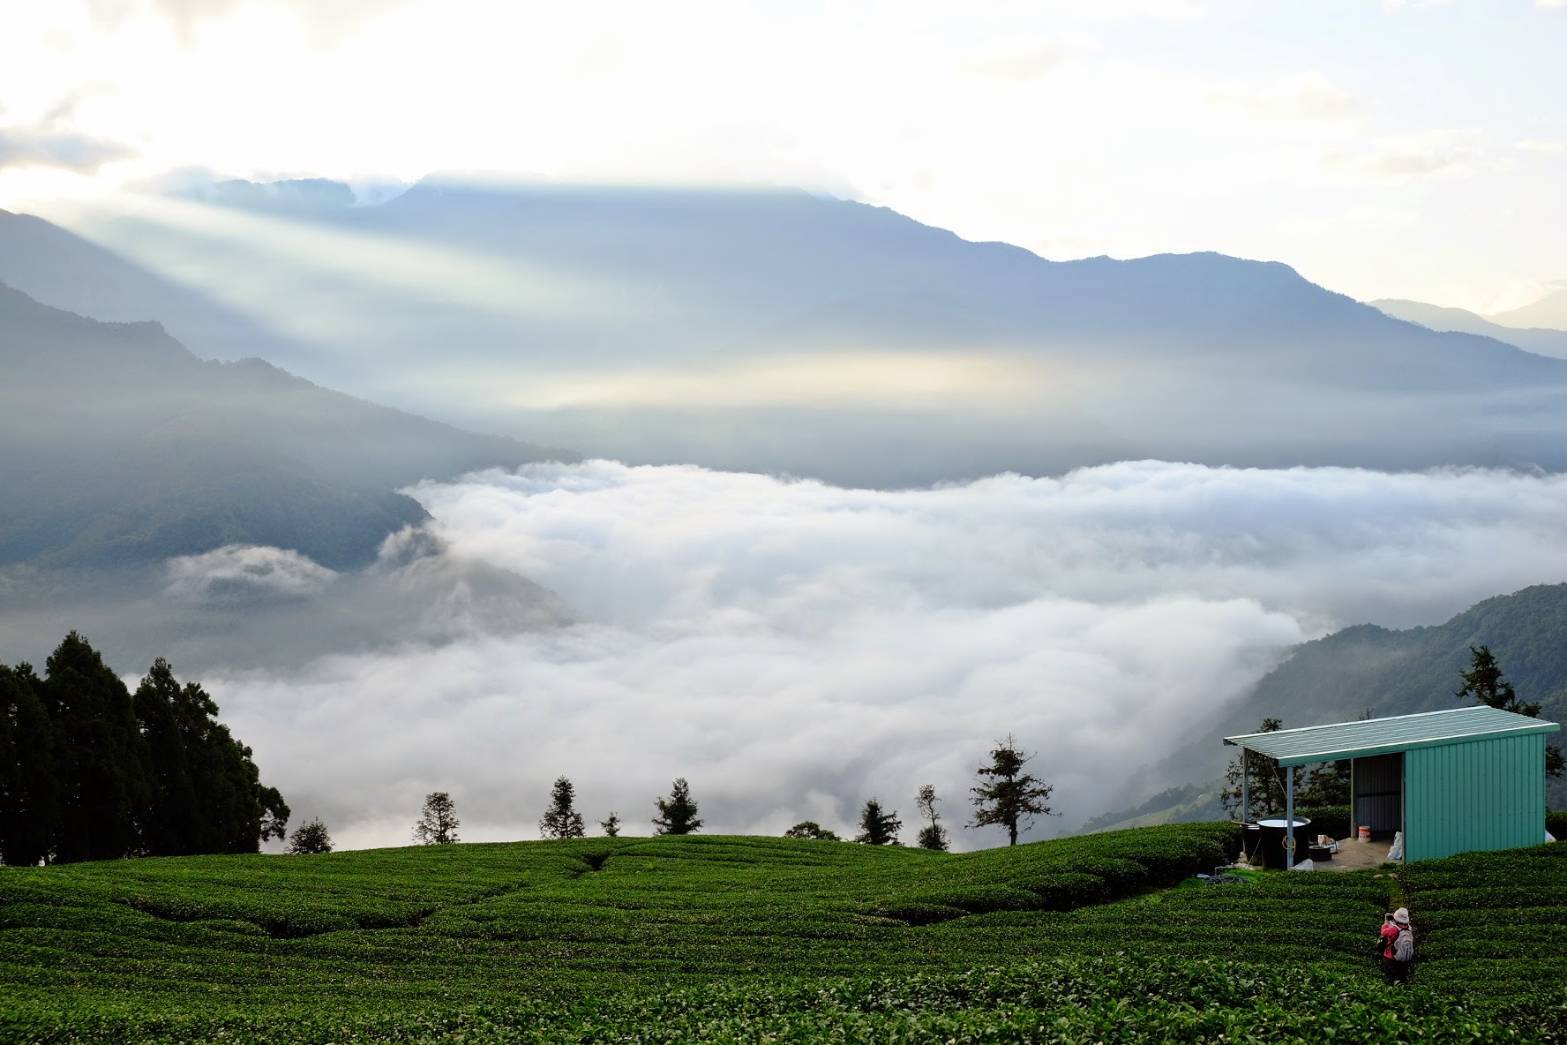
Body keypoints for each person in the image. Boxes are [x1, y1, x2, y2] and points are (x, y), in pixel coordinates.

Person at [1379, 907, 1414, 984]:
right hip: (1404, 959)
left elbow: (1383, 933)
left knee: (1391, 978)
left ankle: (1392, 990)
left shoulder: (1393, 930)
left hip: (1391, 958)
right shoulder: (1409, 928)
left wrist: (1386, 922)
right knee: (1402, 977)